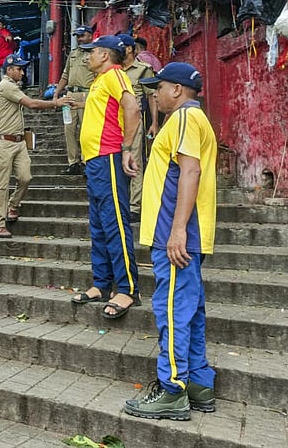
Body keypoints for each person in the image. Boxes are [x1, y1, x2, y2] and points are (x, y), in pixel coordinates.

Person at [124, 62, 217, 420]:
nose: (155, 94)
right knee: (189, 310)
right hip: (183, 234)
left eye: (158, 88)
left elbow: (190, 170)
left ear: (176, 89)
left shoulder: (183, 119)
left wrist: (177, 230)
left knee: (173, 310)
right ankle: (198, 382)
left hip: (176, 236)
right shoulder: (191, 119)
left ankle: (172, 389)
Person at [69, 35, 141, 319]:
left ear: (105, 55)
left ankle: (127, 288)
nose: (88, 57)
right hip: (95, 161)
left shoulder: (115, 74)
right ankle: (101, 283)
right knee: (98, 225)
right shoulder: (99, 80)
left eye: (92, 52)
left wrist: (126, 149)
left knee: (115, 224)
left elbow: (132, 108)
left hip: (109, 156)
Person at [0, 54, 74, 238]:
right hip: (3, 142)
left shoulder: (13, 87)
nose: (22, 72)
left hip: (19, 141)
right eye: (19, 69)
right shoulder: (6, 86)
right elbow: (32, 104)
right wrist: (55, 103)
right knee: (1, 184)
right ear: (9, 70)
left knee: (25, 177)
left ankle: (13, 205)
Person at [117, 33, 157, 222]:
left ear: (131, 48)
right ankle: (121, 202)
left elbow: (151, 97)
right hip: (114, 121)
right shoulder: (114, 71)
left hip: (135, 121)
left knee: (135, 162)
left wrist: (154, 123)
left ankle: (135, 206)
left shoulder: (143, 70)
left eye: (123, 47)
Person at [55, 25, 97, 175]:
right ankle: (73, 162)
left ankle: (86, 161)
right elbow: (65, 75)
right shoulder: (73, 54)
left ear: (90, 36)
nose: (79, 39)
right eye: (78, 37)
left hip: (87, 94)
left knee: (86, 129)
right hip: (70, 94)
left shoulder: (95, 53)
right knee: (69, 128)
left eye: (82, 36)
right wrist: (56, 93)